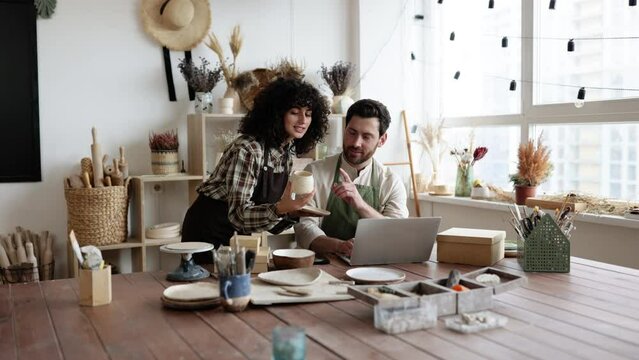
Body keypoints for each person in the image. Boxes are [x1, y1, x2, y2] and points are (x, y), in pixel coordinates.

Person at [182, 78, 330, 263]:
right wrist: (279, 209)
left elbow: (264, 217)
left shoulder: (284, 155)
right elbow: (238, 214)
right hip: (207, 231)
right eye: (294, 112)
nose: (303, 120)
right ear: (276, 113)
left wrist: (290, 214)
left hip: (238, 235)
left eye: (308, 114)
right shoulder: (248, 149)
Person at [294, 99, 409, 256]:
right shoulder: (315, 172)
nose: (356, 143)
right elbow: (304, 227)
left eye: (366, 137)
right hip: (323, 263)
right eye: (352, 133)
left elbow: (397, 232)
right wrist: (339, 246)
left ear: (382, 140)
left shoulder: (391, 182)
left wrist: (360, 205)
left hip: (375, 263)